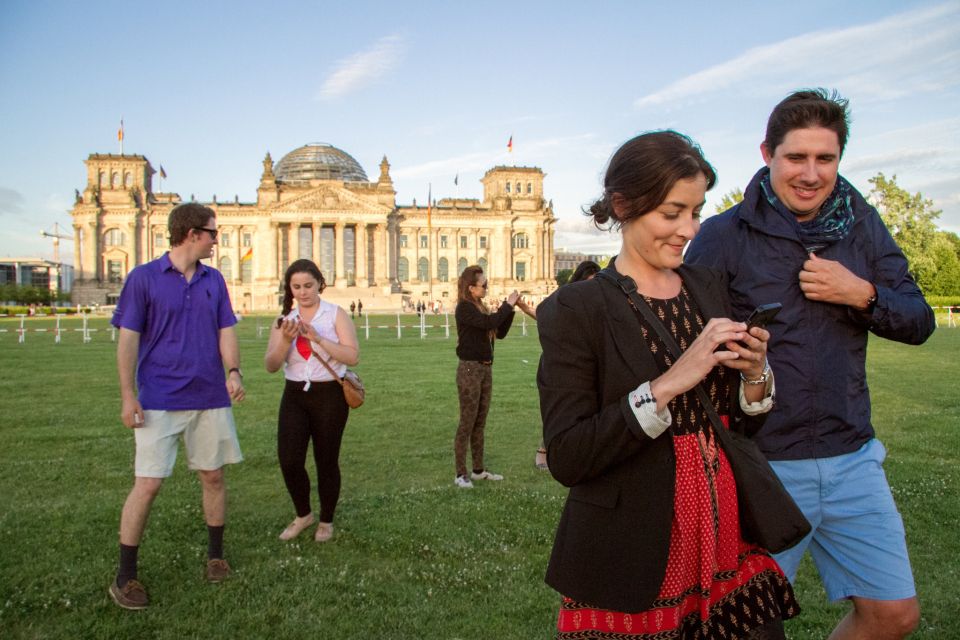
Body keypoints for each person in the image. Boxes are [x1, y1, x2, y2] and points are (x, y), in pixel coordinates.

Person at [686, 88, 933, 640]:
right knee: (744, 628)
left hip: (854, 459)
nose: (811, 173)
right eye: (796, 157)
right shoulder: (723, 236)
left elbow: (918, 320)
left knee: (893, 615)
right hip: (764, 465)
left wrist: (863, 294)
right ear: (767, 153)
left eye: (826, 158)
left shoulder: (860, 225)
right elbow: (685, 345)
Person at [537, 131, 798, 638]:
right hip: (635, 539)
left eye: (696, 212)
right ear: (623, 205)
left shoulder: (708, 286)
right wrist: (668, 384)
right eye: (672, 213)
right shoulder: (575, 309)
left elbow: (741, 423)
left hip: (726, 531)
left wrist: (754, 374)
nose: (688, 230)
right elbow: (568, 455)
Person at [109, 203, 245, 610]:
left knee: (213, 477)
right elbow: (128, 341)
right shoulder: (143, 279)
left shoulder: (213, 280)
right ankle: (125, 575)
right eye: (212, 233)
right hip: (160, 399)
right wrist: (128, 395)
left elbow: (226, 329)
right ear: (191, 234)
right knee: (148, 484)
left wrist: (234, 371)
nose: (216, 239)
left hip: (208, 396)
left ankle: (215, 555)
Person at [264, 259, 359, 543]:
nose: (303, 292)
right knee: (289, 459)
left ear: (320, 283)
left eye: (308, 285)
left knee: (326, 460)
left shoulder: (335, 315)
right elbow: (270, 365)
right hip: (294, 395)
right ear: (290, 289)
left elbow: (352, 356)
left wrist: (317, 339)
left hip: (329, 395)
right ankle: (303, 514)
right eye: (296, 287)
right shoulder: (284, 320)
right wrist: (284, 340)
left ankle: (326, 519)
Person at [518, 260, 601, 471]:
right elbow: (544, 316)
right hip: (562, 365)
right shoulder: (565, 299)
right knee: (560, 413)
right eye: (587, 282)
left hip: (589, 364)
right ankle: (544, 450)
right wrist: (524, 307)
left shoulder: (599, 301)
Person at [453, 265, 519, 488]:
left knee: (479, 423)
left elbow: (498, 332)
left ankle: (478, 470)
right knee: (467, 423)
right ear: (471, 288)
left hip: (485, 369)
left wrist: (510, 310)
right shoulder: (464, 308)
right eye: (484, 285)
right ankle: (460, 474)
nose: (487, 288)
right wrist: (506, 305)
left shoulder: (480, 307)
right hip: (470, 370)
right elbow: (489, 324)